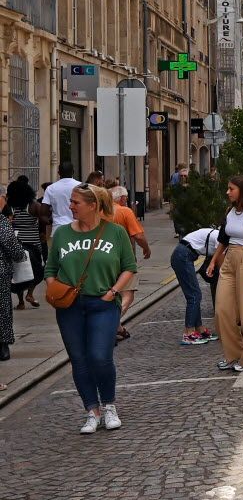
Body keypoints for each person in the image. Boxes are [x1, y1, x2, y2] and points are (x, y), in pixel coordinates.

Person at [46, 184, 138, 432]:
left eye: (76, 202)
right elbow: (50, 268)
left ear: (93, 205)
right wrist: (54, 288)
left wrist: (114, 292)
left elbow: (129, 266)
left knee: (100, 356)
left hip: (103, 303)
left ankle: (109, 405)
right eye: (71, 202)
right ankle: (91, 411)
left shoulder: (115, 233)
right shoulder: (63, 234)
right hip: (69, 307)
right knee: (79, 359)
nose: (71, 206)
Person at [207, 176, 243, 373]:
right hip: (230, 257)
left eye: (231, 189)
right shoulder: (230, 211)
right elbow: (224, 238)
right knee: (222, 310)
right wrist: (214, 260)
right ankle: (233, 354)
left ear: (242, 190)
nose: (228, 192)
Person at [106, 193, 152, 343]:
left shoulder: (100, 211)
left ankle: (117, 327)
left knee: (111, 293)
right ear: (121, 198)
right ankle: (110, 326)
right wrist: (146, 248)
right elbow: (138, 235)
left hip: (103, 258)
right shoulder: (124, 211)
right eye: (125, 197)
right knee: (127, 294)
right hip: (123, 259)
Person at [172, 225, 221, 345]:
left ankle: (199, 328)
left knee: (195, 294)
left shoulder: (218, 235)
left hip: (183, 254)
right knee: (194, 295)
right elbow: (221, 262)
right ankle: (188, 333)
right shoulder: (220, 238)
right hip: (183, 256)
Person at [8, 177, 48, 310]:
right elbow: (44, 219)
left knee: (19, 273)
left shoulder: (10, 207)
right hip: (33, 244)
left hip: (16, 244)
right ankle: (30, 293)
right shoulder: (33, 205)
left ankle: (21, 302)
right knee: (38, 272)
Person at [0, 191, 26, 365]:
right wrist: (21, 255)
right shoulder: (2, 222)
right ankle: (2, 344)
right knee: (2, 307)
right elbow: (11, 245)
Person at [43, 163, 80, 229]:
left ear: (58, 173)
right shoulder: (81, 186)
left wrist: (51, 222)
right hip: (78, 227)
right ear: (73, 172)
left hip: (58, 227)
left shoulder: (51, 188)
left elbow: (43, 212)